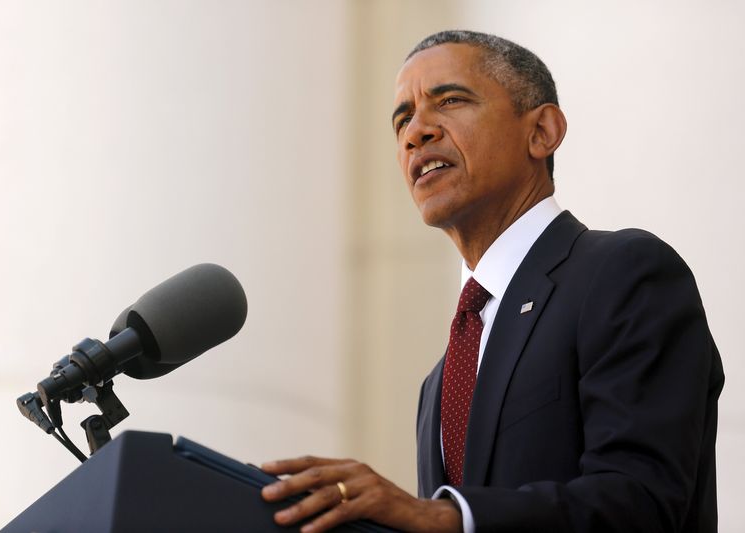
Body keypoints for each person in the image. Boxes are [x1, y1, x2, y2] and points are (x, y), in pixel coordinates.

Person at [260, 30, 724, 533]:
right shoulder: (438, 382)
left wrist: (444, 516)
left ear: (541, 131)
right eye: (402, 120)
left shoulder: (622, 273)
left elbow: (642, 501)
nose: (417, 131)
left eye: (450, 100)